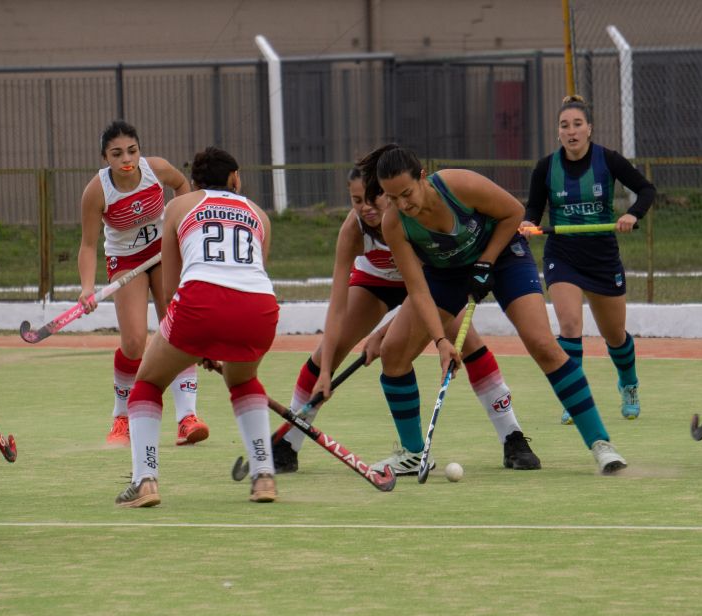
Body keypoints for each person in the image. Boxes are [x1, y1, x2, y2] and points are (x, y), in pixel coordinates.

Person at [359, 144, 626, 475]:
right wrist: (441, 341)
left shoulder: (458, 185)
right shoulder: (395, 224)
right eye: (392, 197)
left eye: (406, 193)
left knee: (542, 344)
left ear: (422, 177)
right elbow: (417, 289)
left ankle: (601, 444)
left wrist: (485, 261)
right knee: (394, 353)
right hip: (446, 273)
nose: (402, 204)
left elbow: (514, 212)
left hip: (503, 256)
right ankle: (414, 455)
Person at [276, 169, 537, 475]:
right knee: (327, 354)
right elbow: (337, 306)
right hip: (376, 282)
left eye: (373, 199)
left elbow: (423, 290)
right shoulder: (353, 230)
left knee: (466, 341)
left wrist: (384, 334)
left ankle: (513, 436)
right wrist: (324, 371)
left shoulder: (413, 217)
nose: (365, 207)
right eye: (356, 200)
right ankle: (288, 443)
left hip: (429, 283)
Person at [114, 147, 280, 506]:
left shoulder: (179, 206)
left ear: (195, 181)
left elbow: (172, 289)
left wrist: (195, 342)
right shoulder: (260, 215)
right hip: (260, 308)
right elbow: (250, 275)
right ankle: (264, 475)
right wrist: (210, 342)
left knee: (147, 382)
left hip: (199, 305)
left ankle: (145, 481)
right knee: (244, 380)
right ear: (235, 177)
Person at [521, 95, 656, 423]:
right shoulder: (545, 167)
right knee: (569, 324)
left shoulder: (608, 160)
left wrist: (632, 215)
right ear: (558, 132)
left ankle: (629, 383)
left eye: (577, 125)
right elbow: (534, 208)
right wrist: (528, 223)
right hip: (562, 255)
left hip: (602, 258)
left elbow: (646, 189)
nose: (571, 131)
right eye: (565, 126)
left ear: (589, 129)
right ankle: (574, 396)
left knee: (615, 336)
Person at [78, 120, 208, 448]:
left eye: (132, 150)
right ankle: (121, 418)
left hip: (164, 253)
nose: (127, 159)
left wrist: (180, 228)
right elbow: (89, 245)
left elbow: (183, 189)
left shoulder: (157, 169)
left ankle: (187, 418)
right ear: (104, 156)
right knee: (135, 342)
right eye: (117, 153)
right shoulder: (97, 191)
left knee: (176, 330)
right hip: (126, 263)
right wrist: (87, 288)